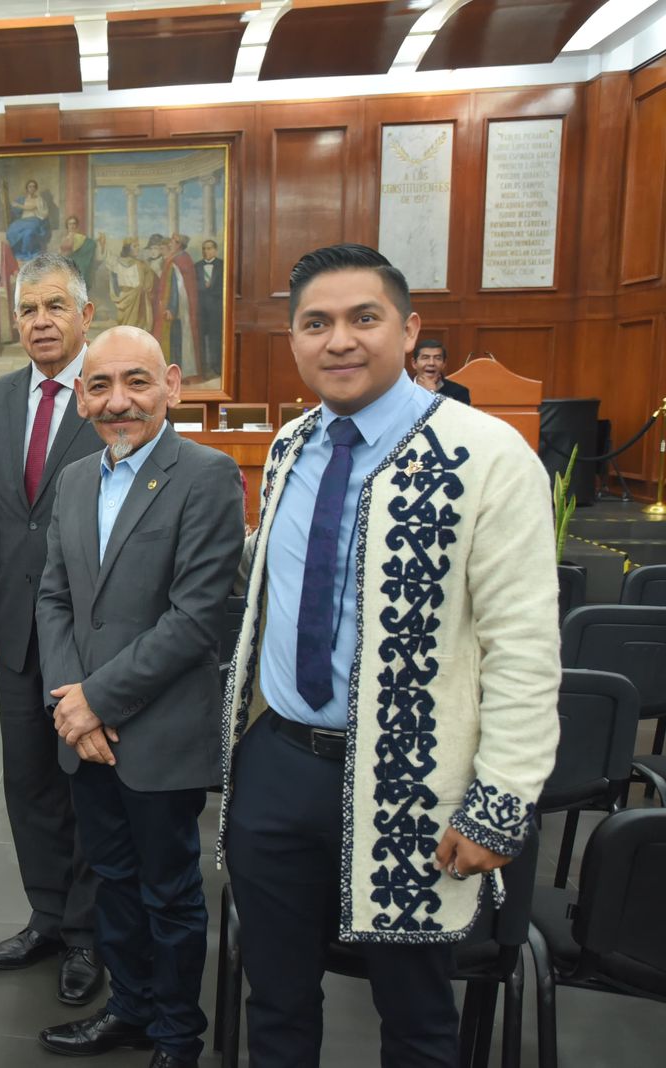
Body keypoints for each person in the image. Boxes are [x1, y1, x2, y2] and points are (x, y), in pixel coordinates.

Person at [220, 244, 559, 1067]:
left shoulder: (488, 455)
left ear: (408, 331)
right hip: (279, 762)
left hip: (415, 784)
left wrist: (499, 802)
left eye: (362, 318)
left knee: (415, 1020)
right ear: (294, 341)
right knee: (277, 1000)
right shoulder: (291, 444)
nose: (339, 340)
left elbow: (524, 645)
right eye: (316, 323)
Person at [34, 326, 243, 1067]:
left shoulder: (208, 476)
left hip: (158, 733)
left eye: (137, 382)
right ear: (81, 397)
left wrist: (95, 701)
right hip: (85, 731)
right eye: (100, 385)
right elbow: (55, 598)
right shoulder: (74, 479)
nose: (118, 401)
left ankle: (178, 1038)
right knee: (113, 883)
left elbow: (195, 618)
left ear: (172, 386)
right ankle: (128, 1008)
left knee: (170, 894)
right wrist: (71, 705)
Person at [0, 253, 107, 1004]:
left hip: (94, 633)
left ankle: (88, 933)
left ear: (86, 316)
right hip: (18, 631)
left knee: (86, 782)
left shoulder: (111, 390)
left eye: (56, 306)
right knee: (27, 780)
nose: (41, 321)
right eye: (28, 309)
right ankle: (47, 917)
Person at [154, 235, 201, 379]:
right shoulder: (183, 258)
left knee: (175, 339)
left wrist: (171, 308)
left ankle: (175, 371)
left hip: (178, 309)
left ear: (179, 244)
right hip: (181, 308)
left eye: (172, 242)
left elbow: (176, 286)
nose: (170, 244)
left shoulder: (177, 260)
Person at [111, 239, 156, 333]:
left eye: (138, 246)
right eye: (135, 246)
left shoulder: (142, 264)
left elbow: (149, 282)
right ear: (127, 248)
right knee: (125, 328)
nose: (138, 248)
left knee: (136, 328)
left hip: (138, 300)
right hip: (125, 298)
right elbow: (114, 283)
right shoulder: (117, 263)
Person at [196, 240, 225, 380]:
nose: (205, 251)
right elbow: (193, 285)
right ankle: (203, 368)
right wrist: (203, 286)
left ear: (215, 250)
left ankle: (216, 366)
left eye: (208, 248)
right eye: (204, 248)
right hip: (201, 309)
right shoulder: (197, 266)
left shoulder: (222, 265)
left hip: (216, 309)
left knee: (215, 338)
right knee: (200, 338)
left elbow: (225, 287)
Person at [412, 338, 471, 405]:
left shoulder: (459, 392)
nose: (431, 363)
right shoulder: (403, 388)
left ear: (444, 364)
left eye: (437, 358)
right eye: (425, 358)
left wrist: (432, 393)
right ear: (414, 363)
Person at [7, 179, 51, 260]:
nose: (32, 188)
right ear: (27, 188)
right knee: (11, 229)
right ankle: (17, 251)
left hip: (34, 220)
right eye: (30, 186)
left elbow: (31, 208)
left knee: (28, 232)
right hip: (23, 220)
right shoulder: (22, 199)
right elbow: (13, 208)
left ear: (36, 188)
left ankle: (26, 252)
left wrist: (18, 205)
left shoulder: (39, 199)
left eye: (34, 186)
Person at [59, 216, 97, 287]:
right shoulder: (64, 238)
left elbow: (91, 244)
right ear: (67, 225)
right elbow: (60, 250)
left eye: (74, 223)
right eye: (70, 224)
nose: (72, 226)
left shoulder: (81, 237)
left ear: (76, 225)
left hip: (75, 263)